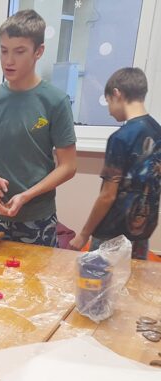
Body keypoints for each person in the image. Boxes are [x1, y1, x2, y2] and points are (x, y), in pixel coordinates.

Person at [0, 9, 77, 247]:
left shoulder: (55, 101)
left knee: (37, 273)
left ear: (39, 52)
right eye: (3, 50)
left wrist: (26, 196)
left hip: (37, 216)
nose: (8, 60)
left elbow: (68, 166)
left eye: (19, 52)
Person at [69, 68, 161, 259]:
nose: (109, 112)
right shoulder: (157, 131)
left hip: (111, 235)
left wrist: (84, 234)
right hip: (142, 232)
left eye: (108, 102)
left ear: (117, 94)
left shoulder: (121, 138)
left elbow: (107, 196)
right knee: (133, 277)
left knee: (99, 278)